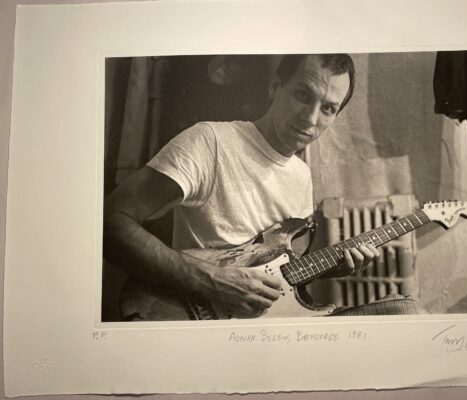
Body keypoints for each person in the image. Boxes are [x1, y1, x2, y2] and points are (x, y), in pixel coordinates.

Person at [103, 54, 380, 320]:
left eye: (328, 108)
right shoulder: (210, 141)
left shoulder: (302, 176)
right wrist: (211, 280)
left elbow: (280, 273)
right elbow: (109, 222)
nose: (310, 118)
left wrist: (332, 267)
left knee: (401, 308)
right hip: (197, 319)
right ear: (275, 87)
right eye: (303, 95)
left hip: (264, 336)